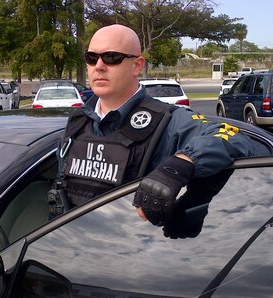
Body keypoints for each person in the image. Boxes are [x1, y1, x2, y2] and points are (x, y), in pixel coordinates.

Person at [48, 24, 255, 229]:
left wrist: (180, 165)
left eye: (112, 58)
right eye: (92, 58)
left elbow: (235, 137)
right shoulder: (77, 122)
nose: (99, 66)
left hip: (131, 251)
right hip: (70, 246)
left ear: (137, 65)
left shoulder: (168, 121)